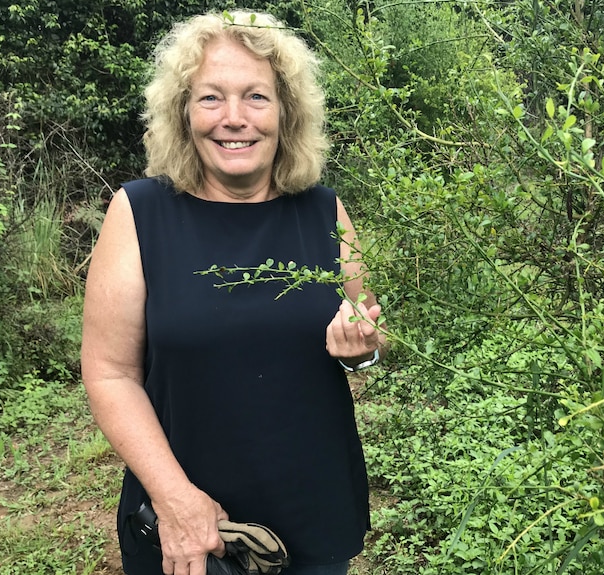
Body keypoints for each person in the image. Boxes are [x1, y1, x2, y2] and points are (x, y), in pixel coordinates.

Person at [80, 11, 387, 575]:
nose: (235, 119)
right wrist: (175, 500)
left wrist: (364, 348)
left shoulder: (324, 210)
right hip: (189, 517)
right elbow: (108, 372)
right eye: (211, 98)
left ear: (286, 113)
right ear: (183, 112)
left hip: (311, 503)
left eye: (256, 97)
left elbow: (369, 335)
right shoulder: (140, 212)